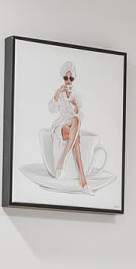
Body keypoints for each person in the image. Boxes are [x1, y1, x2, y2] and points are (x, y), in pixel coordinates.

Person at [48, 60, 91, 189]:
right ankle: (80, 176)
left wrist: (74, 104)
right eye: (65, 78)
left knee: (76, 131)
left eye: (71, 78)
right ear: (63, 77)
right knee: (76, 130)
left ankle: (80, 177)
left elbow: (77, 113)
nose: (68, 81)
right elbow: (52, 109)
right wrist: (58, 93)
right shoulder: (59, 92)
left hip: (71, 126)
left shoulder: (76, 95)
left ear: (74, 79)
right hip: (61, 125)